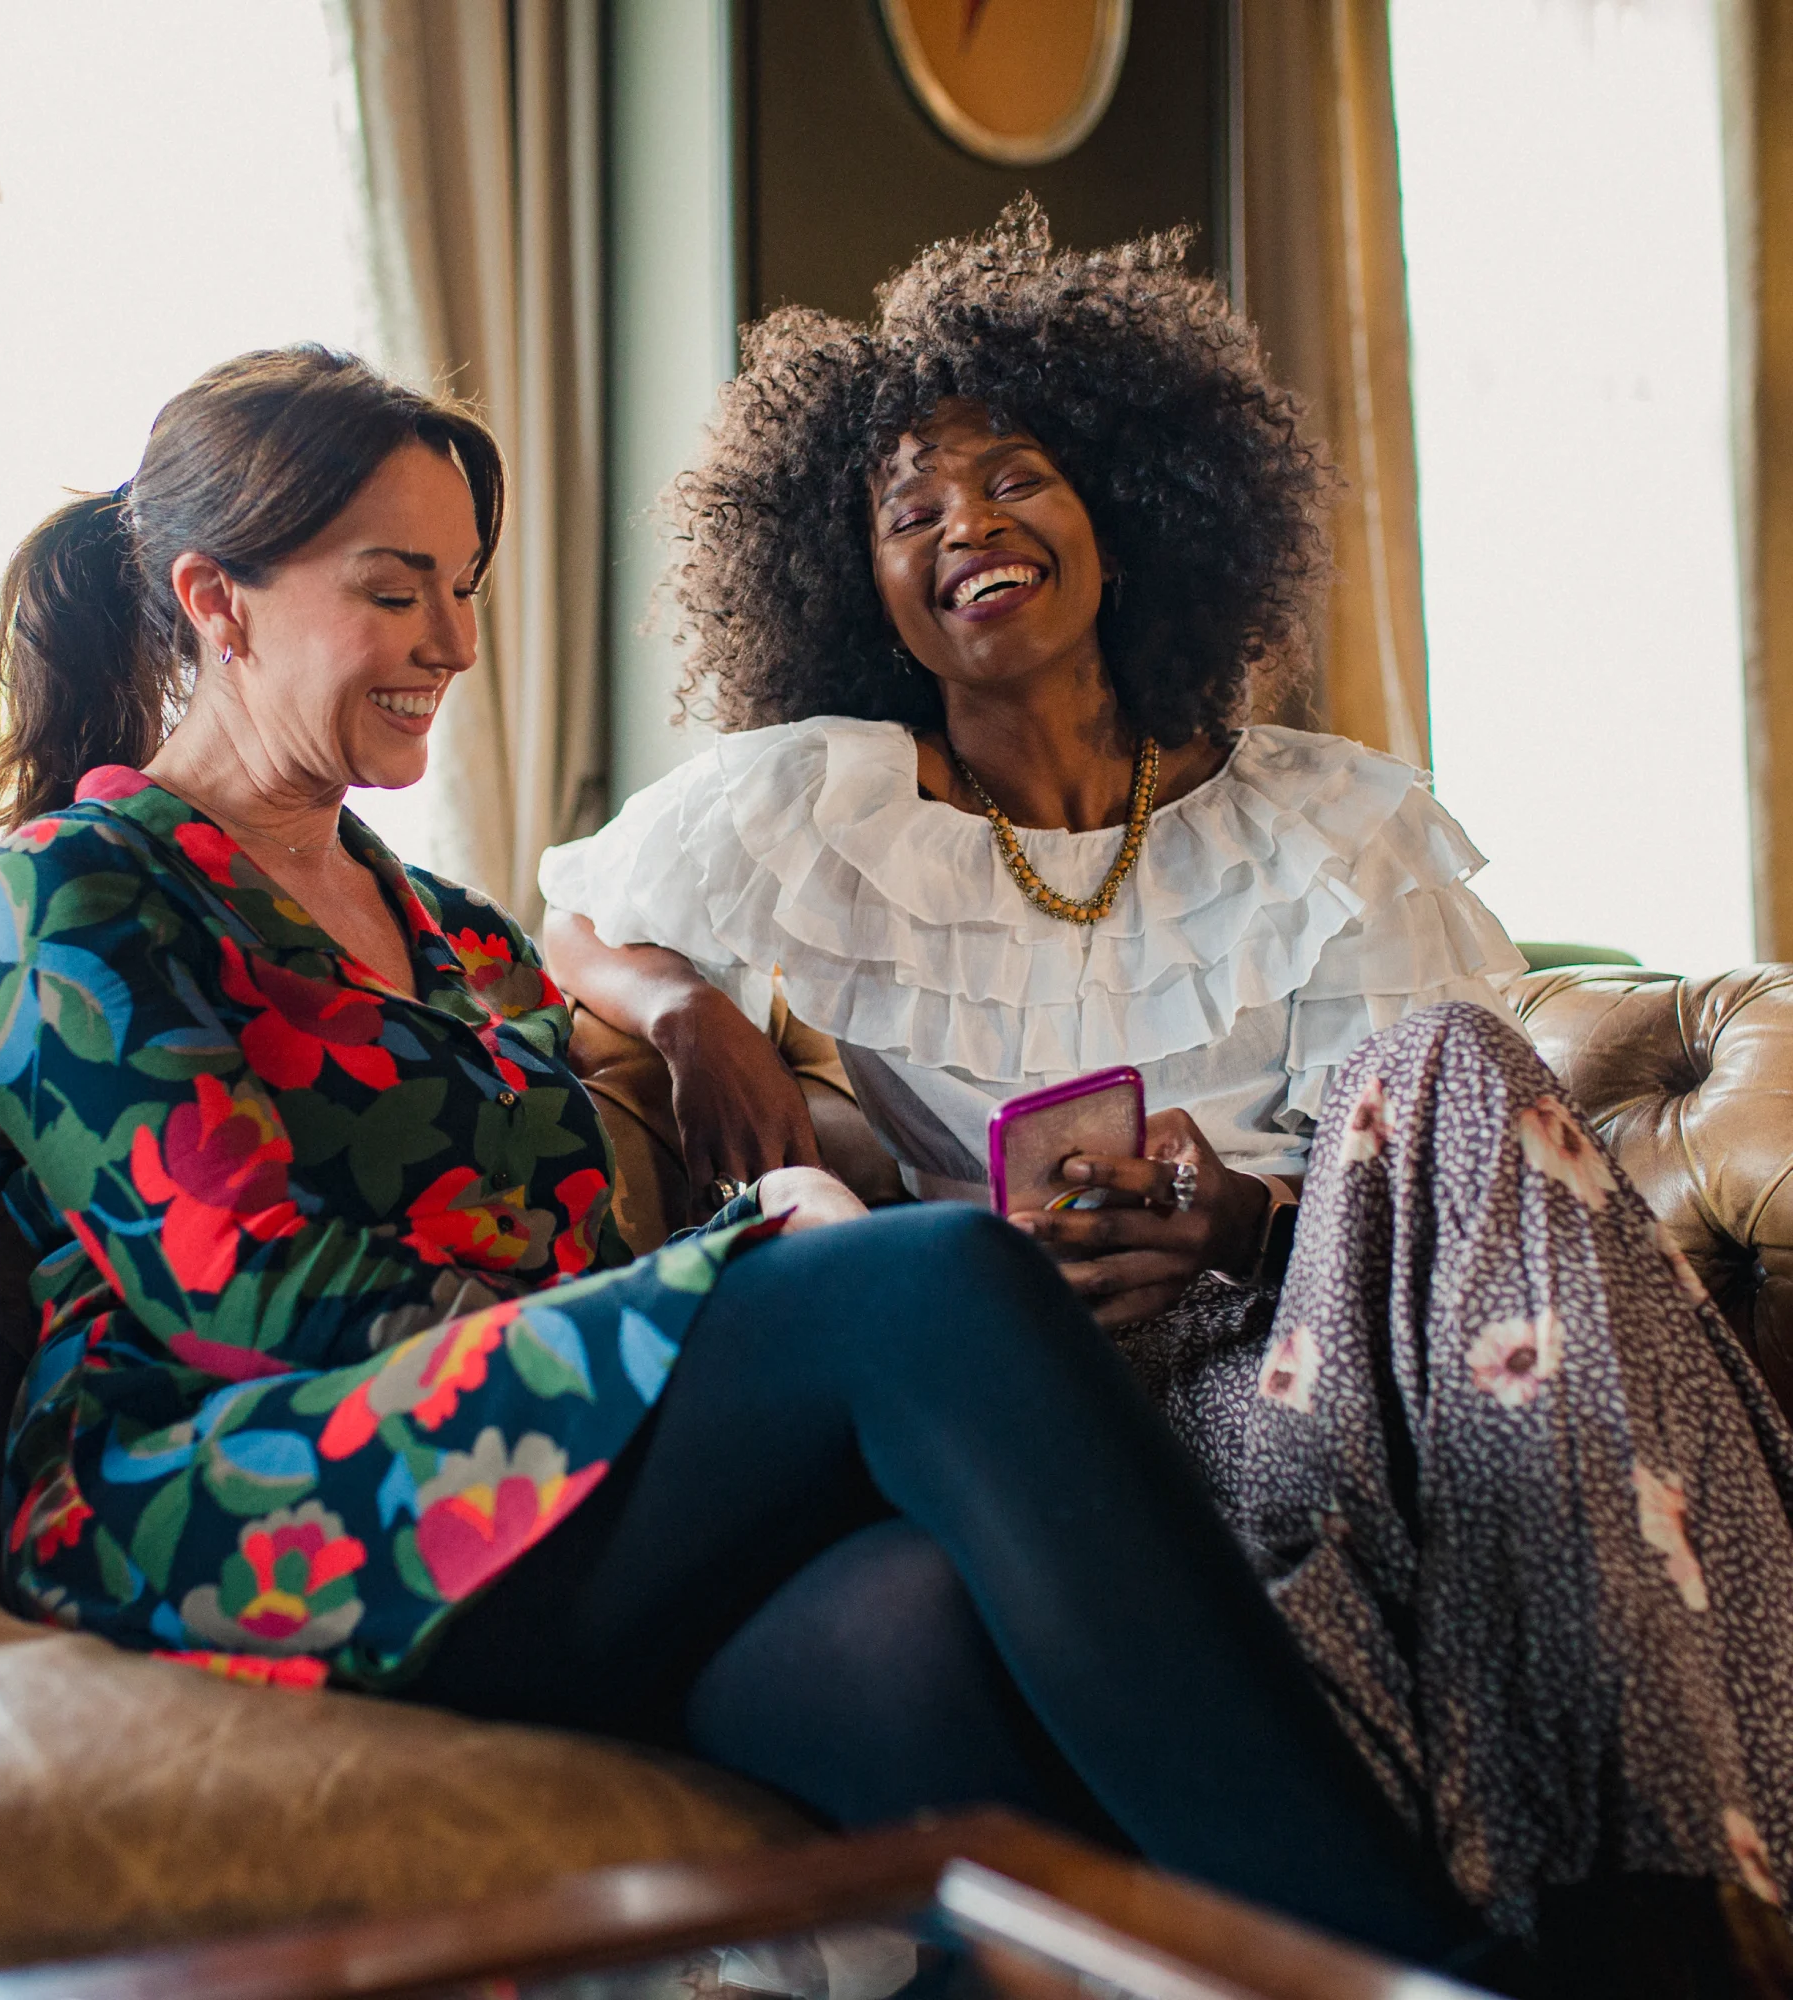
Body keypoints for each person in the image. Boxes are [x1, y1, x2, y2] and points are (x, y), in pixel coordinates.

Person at [0, 344, 1515, 1981]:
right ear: (218, 598)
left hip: (522, 1490)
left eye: (466, 590)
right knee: (931, 1278)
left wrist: (739, 1228)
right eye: (396, 590)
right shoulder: (82, 888)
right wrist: (737, 1284)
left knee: (916, 1629)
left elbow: (567, 1268)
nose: (456, 645)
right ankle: (1412, 1970)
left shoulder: (462, 943)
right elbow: (244, 1298)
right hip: (230, 1504)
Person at [538, 203, 1793, 1944]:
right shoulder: (815, 799)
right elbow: (575, 924)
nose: (967, 524)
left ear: (1125, 510)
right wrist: (687, 1014)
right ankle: (1639, 1911)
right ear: (860, 588)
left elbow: (1443, 1189)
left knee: (1441, 1057)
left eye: (1016, 480)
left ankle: (1632, 1882)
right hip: (1053, 1421)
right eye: (911, 513)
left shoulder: (1328, 818)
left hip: (1334, 1353)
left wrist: (1249, 1220)